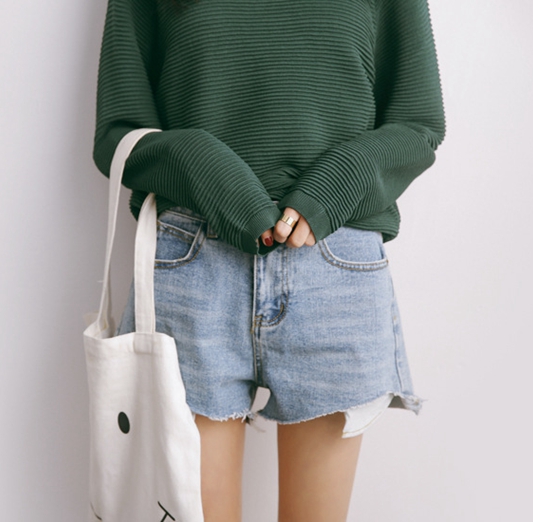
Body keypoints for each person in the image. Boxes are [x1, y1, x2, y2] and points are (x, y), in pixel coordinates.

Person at [92, 0, 446, 520]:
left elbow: (418, 122)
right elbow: (117, 133)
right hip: (195, 270)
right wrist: (204, 168)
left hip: (336, 269)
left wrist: (336, 185)